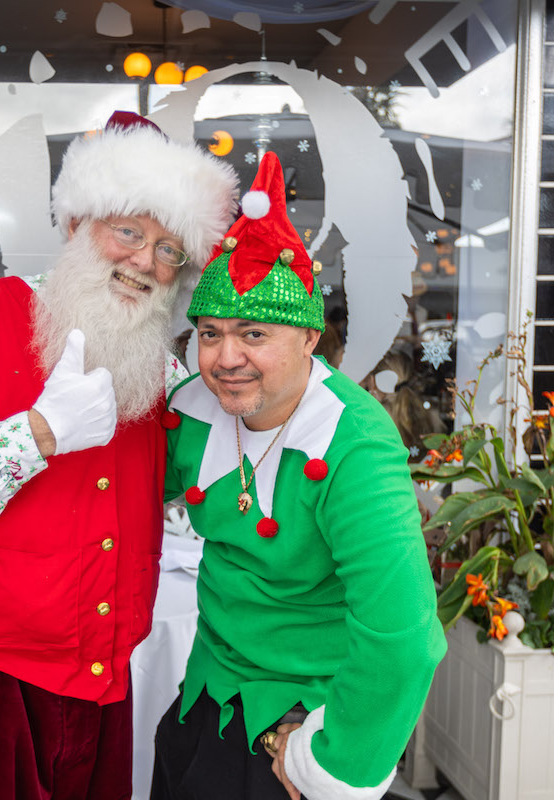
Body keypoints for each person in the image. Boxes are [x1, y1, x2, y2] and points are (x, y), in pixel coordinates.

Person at [0, 110, 238, 800]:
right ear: (75, 225)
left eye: (170, 249)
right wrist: (35, 433)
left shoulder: (161, 377)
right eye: (130, 231)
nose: (145, 262)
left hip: (102, 688)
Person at [155, 153, 446, 799]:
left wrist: (333, 760)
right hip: (205, 696)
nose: (226, 358)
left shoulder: (356, 445)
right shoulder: (190, 413)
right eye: (209, 334)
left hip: (299, 717)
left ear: (310, 338)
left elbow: (403, 636)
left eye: (253, 334)